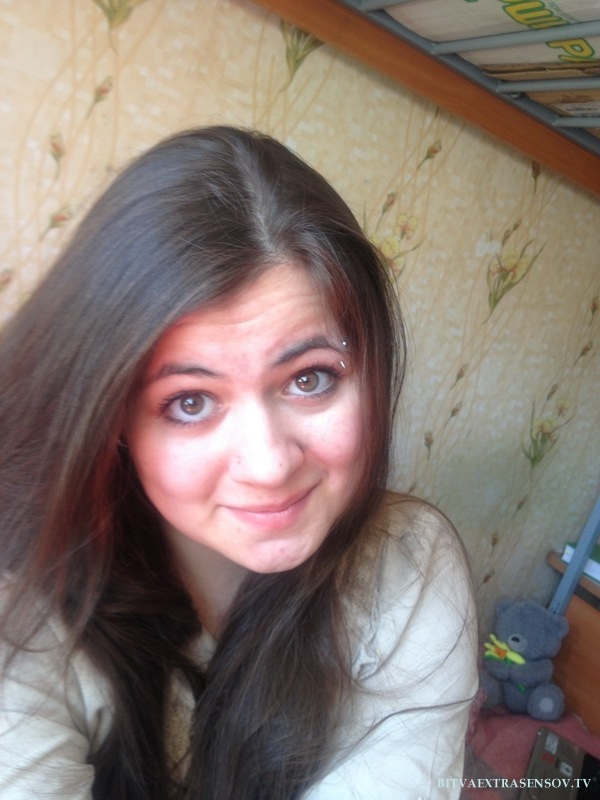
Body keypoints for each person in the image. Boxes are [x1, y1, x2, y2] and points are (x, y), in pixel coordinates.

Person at [0, 126, 478, 800]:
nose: (269, 464)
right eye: (189, 401)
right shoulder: (20, 610)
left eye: (310, 378)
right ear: (111, 417)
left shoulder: (406, 560)